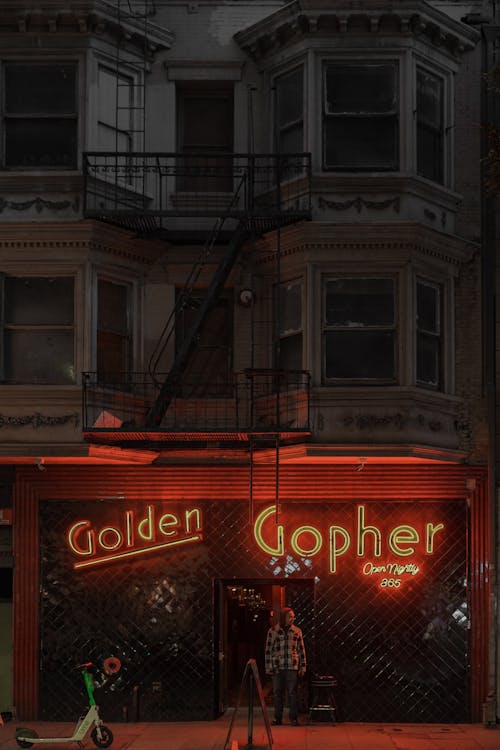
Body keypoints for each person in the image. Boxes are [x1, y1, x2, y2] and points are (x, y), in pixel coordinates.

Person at [265, 607, 306, 726]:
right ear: (284, 617)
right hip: (278, 666)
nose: (293, 618)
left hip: (292, 666)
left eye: (293, 616)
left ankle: (293, 718)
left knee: (292, 693)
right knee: (277, 693)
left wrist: (302, 667)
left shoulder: (297, 631)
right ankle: (278, 718)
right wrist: (268, 667)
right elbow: (268, 651)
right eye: (290, 616)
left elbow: (301, 650)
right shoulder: (273, 631)